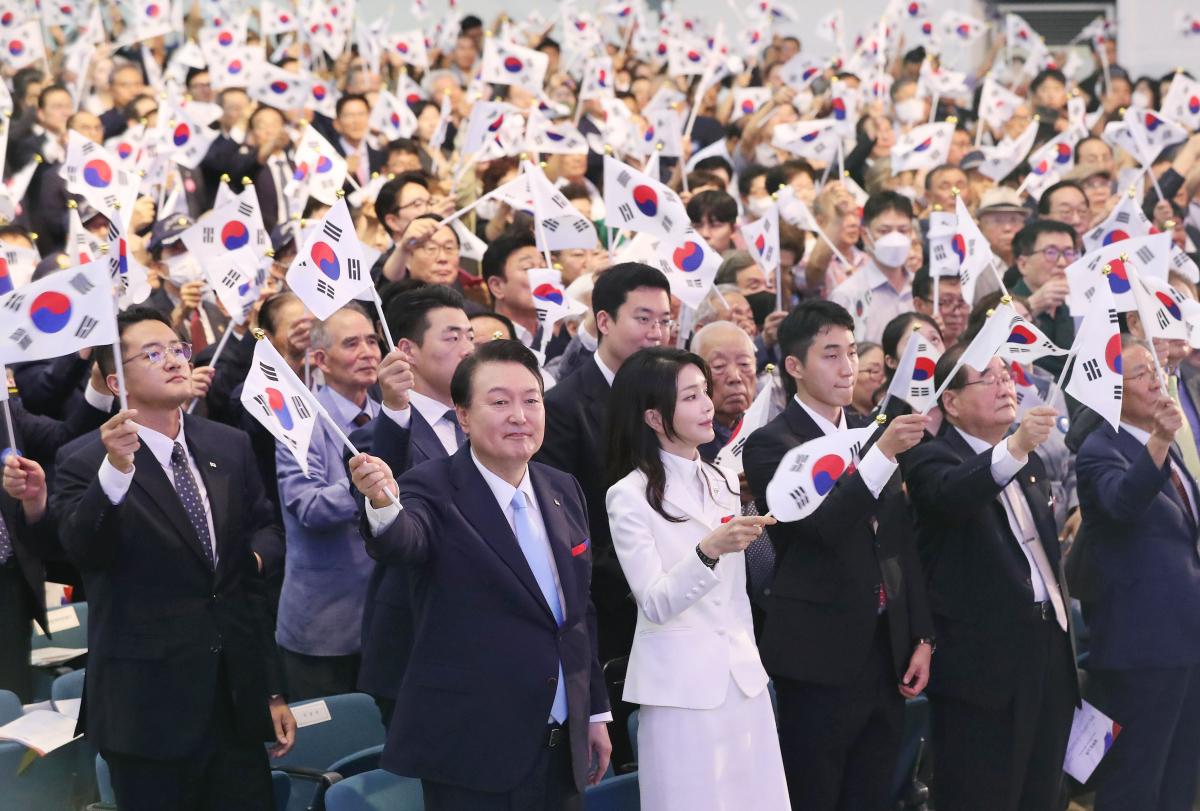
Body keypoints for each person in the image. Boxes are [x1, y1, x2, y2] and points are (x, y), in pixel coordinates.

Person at [348, 339, 612, 811]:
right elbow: (402, 541)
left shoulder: (561, 487)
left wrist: (593, 709)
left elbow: (576, 611)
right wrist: (383, 505)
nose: (520, 415)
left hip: (562, 739)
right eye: (499, 401)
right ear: (463, 415)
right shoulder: (431, 485)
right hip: (474, 745)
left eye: (531, 400)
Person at [50, 307, 295, 811]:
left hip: (234, 699)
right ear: (117, 381)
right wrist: (114, 475)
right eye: (153, 354)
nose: (175, 361)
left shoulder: (228, 444)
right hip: (147, 712)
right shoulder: (82, 461)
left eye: (179, 349)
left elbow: (266, 531)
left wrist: (270, 689)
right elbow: (82, 552)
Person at [742, 301, 934, 811]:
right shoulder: (770, 445)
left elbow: (898, 542)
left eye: (851, 352)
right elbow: (821, 529)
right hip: (817, 656)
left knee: (873, 794)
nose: (848, 367)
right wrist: (881, 456)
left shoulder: (874, 431)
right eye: (831, 355)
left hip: (886, 648)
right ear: (794, 366)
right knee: (817, 796)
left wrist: (921, 635)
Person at [604, 346, 788, 811]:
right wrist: (708, 551)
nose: (708, 404)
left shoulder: (721, 479)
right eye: (690, 396)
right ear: (653, 416)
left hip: (742, 677)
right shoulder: (627, 496)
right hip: (680, 690)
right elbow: (656, 602)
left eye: (704, 392)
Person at [904, 347, 1079, 811]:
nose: (1006, 386)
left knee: (1041, 795)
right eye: (988, 378)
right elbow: (954, 494)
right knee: (980, 795)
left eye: (1007, 375)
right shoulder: (929, 460)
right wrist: (1014, 448)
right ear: (952, 402)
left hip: (1049, 650)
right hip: (983, 669)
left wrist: (1018, 451)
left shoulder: (1031, 464)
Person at [1076, 337, 1200, 811]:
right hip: (1142, 643)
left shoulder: (1160, 443)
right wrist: (1162, 440)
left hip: (1184, 636)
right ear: (1114, 390)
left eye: (1156, 368)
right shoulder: (1100, 448)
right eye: (1142, 373)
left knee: (1179, 776)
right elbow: (1121, 506)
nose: (1156, 379)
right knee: (1136, 781)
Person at [536, 262, 673, 661]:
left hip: (678, 593)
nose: (656, 333)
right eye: (643, 318)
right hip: (611, 607)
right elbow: (563, 522)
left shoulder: (672, 395)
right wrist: (633, 582)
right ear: (604, 321)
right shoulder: (563, 408)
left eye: (664, 320)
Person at [353, 286, 475, 726]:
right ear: (407, 351)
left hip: (479, 630)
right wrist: (395, 409)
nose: (468, 348)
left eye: (470, 336)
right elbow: (377, 497)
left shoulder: (478, 420)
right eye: (452, 337)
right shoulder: (384, 425)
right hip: (416, 635)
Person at [274, 304, 381, 700]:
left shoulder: (391, 418)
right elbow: (308, 506)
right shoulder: (298, 421)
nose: (368, 351)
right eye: (352, 343)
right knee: (333, 752)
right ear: (320, 360)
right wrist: (366, 487)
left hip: (389, 619)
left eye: (372, 340)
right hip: (324, 627)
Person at [829, 192, 918, 344]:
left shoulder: (921, 288)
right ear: (865, 235)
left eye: (903, 230)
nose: (895, 239)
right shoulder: (847, 295)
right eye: (884, 231)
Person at [1011, 220, 1078, 377]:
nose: (1062, 263)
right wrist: (1030, 307)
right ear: (1022, 264)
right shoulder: (1000, 303)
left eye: (1069, 253)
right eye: (1051, 252)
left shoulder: (1073, 307)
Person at [692, 321, 757, 461]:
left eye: (744, 364)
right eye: (719, 366)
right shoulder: (686, 443)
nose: (735, 377)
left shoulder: (763, 429)